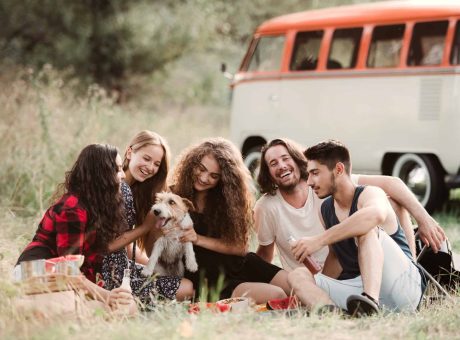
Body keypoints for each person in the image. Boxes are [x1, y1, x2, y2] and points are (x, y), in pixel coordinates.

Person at [255, 138, 446, 273]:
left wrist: (424, 219)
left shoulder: (323, 183)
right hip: (310, 277)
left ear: (297, 160)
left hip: (346, 265)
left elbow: (393, 183)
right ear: (268, 173)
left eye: (285, 158)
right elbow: (265, 254)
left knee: (393, 202)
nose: (281, 165)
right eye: (273, 163)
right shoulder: (266, 207)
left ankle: (410, 268)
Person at [288, 140, 427, 314]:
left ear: (338, 169)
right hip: (357, 289)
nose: (308, 182)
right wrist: (316, 288)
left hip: (403, 286)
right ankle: (331, 314)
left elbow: (374, 215)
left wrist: (318, 241)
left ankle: (370, 302)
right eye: (308, 175)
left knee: (366, 230)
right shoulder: (325, 209)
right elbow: (336, 258)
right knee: (297, 275)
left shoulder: (370, 193)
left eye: (315, 173)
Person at [16, 144, 136, 314]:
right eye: (117, 170)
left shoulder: (98, 205)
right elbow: (68, 268)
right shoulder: (73, 208)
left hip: (64, 280)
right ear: (102, 175)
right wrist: (107, 296)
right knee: (79, 311)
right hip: (37, 271)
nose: (123, 175)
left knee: (128, 307)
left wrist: (107, 294)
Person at [171, 137, 290, 303]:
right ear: (192, 163)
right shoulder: (172, 198)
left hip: (241, 264)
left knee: (295, 286)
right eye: (201, 169)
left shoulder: (228, 199)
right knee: (277, 295)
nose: (204, 178)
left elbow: (240, 247)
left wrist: (198, 239)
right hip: (210, 277)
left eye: (214, 176)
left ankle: (330, 306)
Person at [100, 130, 194, 307]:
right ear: (129, 152)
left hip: (122, 266)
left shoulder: (136, 191)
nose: (150, 167)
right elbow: (105, 246)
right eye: (146, 158)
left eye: (157, 164)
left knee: (179, 280)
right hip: (107, 274)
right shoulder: (117, 189)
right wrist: (144, 228)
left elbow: (128, 246)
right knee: (186, 287)